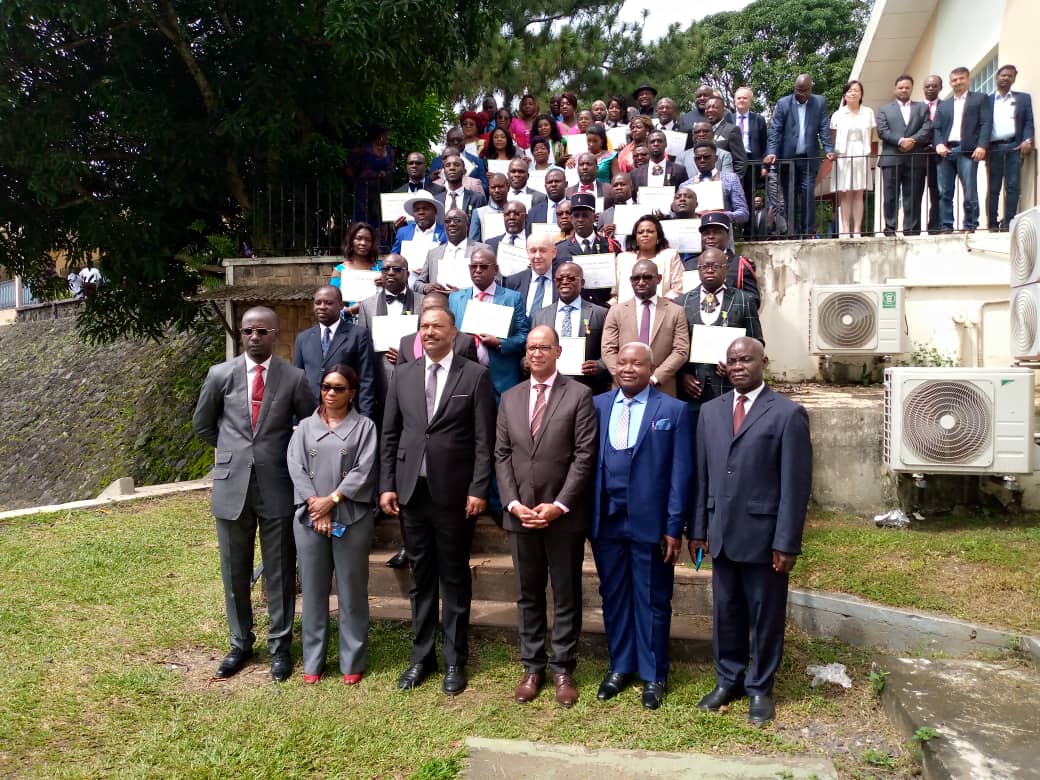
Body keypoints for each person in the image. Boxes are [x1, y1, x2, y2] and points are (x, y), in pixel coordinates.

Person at [690, 337, 812, 725]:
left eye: (747, 359)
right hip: (722, 533)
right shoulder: (710, 412)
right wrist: (698, 528)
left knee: (765, 615)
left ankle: (760, 686)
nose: (739, 365)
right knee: (726, 613)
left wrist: (786, 541)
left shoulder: (787, 414)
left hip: (764, 537)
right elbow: (703, 476)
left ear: (763, 362)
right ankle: (729, 680)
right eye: (732, 360)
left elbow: (796, 485)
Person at [192, 306, 316, 682]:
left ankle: (280, 647)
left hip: (277, 484)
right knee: (235, 569)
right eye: (248, 332)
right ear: (241, 335)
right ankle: (240, 642)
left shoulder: (293, 379)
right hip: (232, 486)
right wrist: (233, 454)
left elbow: (308, 426)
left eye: (262, 331)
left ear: (276, 334)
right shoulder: (220, 375)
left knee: (279, 569)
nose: (254, 337)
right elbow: (203, 425)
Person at [380, 306, 497, 695]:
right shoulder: (404, 373)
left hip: (455, 496)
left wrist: (479, 489)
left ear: (454, 332)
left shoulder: (475, 375)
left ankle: (454, 661)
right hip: (412, 493)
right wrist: (388, 485)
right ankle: (421, 657)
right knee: (421, 579)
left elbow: (485, 441)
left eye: (437, 326)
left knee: (454, 577)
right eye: (424, 326)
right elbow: (390, 435)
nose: (429, 332)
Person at [495, 325, 597, 708]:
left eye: (544, 347)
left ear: (558, 351)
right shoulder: (510, 397)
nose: (536, 353)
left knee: (566, 592)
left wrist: (560, 505)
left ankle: (563, 668)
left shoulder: (580, 396)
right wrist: (512, 503)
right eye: (532, 348)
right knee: (528, 593)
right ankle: (533, 666)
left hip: (562, 516)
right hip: (521, 514)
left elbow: (585, 457)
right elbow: (501, 454)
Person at [590, 341, 693, 710]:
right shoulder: (598, 406)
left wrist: (673, 525)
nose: (629, 368)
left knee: (652, 597)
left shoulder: (674, 410)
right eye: (623, 362)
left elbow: (682, 474)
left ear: (652, 370)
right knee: (613, 594)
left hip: (651, 523)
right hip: (607, 520)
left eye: (637, 363)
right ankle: (621, 665)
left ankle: (653, 674)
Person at [287, 364, 378, 685]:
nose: (330, 393)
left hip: (351, 518)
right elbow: (296, 467)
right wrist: (316, 503)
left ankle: (352, 660)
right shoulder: (304, 428)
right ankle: (313, 661)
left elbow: (363, 469)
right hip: (310, 518)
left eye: (339, 388)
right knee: (313, 591)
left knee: (352, 591)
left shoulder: (365, 427)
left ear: (351, 392)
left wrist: (332, 500)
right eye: (326, 386)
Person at [677, 247, 763, 440]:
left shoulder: (744, 300)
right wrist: (682, 376)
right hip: (691, 390)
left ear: (726, 269)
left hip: (730, 389)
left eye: (716, 266)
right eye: (705, 266)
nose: (709, 270)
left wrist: (737, 365)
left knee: (725, 442)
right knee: (693, 445)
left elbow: (756, 342)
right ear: (697, 269)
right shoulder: (680, 303)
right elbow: (674, 346)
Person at [448, 248, 530, 399]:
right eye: (474, 266)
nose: (478, 270)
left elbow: (523, 335)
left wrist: (499, 343)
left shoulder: (513, 298)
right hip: (464, 377)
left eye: (484, 266)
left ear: (495, 269)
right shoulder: (455, 298)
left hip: (501, 379)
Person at [602, 258, 690, 397]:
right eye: (636, 278)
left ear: (659, 279)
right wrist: (623, 376)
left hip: (662, 388)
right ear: (631, 281)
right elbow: (608, 349)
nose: (641, 282)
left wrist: (655, 378)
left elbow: (681, 350)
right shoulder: (616, 311)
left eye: (647, 277)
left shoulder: (676, 311)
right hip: (623, 389)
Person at [294, 285, 378, 420]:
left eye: (328, 303)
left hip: (347, 414)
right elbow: (297, 380)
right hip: (310, 415)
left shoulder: (358, 335)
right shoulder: (303, 338)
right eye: (318, 302)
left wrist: (366, 418)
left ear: (340, 305)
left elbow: (367, 379)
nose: (322, 306)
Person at [765, 74, 834, 237]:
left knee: (808, 194)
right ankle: (793, 233)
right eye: (797, 90)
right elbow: (776, 130)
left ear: (810, 88)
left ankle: (808, 232)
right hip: (787, 159)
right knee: (790, 198)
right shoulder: (783, 103)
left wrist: (829, 148)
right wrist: (771, 152)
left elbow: (824, 127)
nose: (800, 93)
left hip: (809, 158)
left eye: (804, 90)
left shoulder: (819, 102)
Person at [531, 262, 611, 395]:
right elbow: (530, 349)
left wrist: (600, 365)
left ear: (583, 282)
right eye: (560, 279)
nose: (565, 282)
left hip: (586, 386)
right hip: (548, 387)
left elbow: (610, 350)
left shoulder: (600, 313)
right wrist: (527, 362)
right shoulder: (540, 315)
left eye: (571, 278)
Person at [933, 66, 992, 233]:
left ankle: (970, 224)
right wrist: (938, 144)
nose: (958, 82)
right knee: (945, 192)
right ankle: (946, 226)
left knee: (970, 191)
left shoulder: (980, 99)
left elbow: (986, 124)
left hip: (967, 150)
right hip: (946, 152)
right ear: (950, 83)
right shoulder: (944, 105)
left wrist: (982, 145)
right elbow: (936, 128)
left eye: (961, 79)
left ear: (968, 79)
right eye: (954, 80)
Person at [356, 255, 424, 393]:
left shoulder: (423, 302)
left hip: (416, 378)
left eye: (397, 269)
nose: (391, 272)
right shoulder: (366, 305)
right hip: (380, 380)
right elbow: (363, 349)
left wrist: (409, 355)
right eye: (386, 269)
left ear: (407, 274)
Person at [877, 74, 933, 236]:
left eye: (907, 87)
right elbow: (882, 131)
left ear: (911, 89)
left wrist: (912, 141)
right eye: (900, 87)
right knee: (890, 196)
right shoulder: (884, 109)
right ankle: (890, 228)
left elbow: (927, 128)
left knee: (914, 196)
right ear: (895, 89)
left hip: (915, 157)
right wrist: (900, 141)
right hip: (891, 157)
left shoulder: (922, 107)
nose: (903, 90)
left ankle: (912, 229)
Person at [553, 193, 623, 307]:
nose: (580, 219)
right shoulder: (560, 250)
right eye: (576, 215)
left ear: (595, 217)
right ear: (571, 218)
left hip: (605, 308)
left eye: (585, 215)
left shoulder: (611, 246)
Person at [987, 65, 1035, 231]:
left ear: (1014, 78)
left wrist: (1028, 140)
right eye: (1003, 75)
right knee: (993, 188)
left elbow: (1029, 121)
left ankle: (1009, 223)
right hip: (993, 149)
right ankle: (992, 224)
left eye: (1010, 76)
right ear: (997, 77)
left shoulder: (1023, 98)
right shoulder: (987, 100)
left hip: (1015, 147)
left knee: (1013, 187)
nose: (1006, 78)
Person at [681, 212, 761, 311]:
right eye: (706, 233)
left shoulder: (741, 265)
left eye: (716, 232)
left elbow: (754, 301)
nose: (710, 236)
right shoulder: (689, 265)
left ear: (727, 236)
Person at [829, 80, 876, 237]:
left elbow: (870, 135)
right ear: (845, 94)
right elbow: (833, 137)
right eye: (850, 90)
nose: (853, 93)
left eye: (856, 90)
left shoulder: (868, 112)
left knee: (858, 192)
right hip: (843, 153)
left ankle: (857, 229)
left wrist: (867, 151)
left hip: (861, 152)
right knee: (845, 193)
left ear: (861, 94)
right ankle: (845, 228)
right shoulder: (838, 114)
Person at [415, 209, 490, 294]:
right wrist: (426, 287)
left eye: (457, 220)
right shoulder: (433, 254)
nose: (452, 224)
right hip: (440, 304)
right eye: (447, 221)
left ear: (467, 225)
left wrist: (463, 293)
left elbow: (495, 282)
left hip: (470, 304)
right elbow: (418, 283)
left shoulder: (483, 250)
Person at [396, 291, 479, 367]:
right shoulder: (406, 342)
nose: (431, 314)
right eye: (426, 310)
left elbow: (473, 377)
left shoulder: (464, 342)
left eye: (437, 309)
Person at [679, 140, 749, 228]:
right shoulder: (685, 186)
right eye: (698, 158)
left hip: (723, 234)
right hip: (694, 234)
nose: (702, 160)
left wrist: (723, 216)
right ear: (694, 160)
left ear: (716, 158)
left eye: (706, 157)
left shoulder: (731, 179)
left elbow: (743, 213)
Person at [614, 215, 684, 301]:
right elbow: (615, 293)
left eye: (650, 231)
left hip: (661, 310)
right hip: (625, 310)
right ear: (635, 238)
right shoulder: (622, 258)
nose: (645, 235)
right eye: (640, 232)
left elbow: (677, 289)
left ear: (658, 237)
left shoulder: (670, 255)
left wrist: (658, 307)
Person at [733, 87, 769, 240]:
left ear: (750, 101)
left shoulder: (758, 119)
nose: (741, 100)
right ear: (734, 100)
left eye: (745, 98)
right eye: (739, 98)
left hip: (752, 162)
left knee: (748, 197)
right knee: (732, 196)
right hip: (733, 162)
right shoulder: (728, 118)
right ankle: (733, 231)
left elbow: (764, 143)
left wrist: (763, 165)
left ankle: (749, 232)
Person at [331, 221, 383, 318]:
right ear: (351, 241)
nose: (363, 243)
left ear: (372, 243)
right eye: (359, 238)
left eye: (368, 240)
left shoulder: (381, 268)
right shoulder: (340, 271)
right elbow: (332, 304)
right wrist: (350, 310)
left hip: (378, 321)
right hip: (350, 326)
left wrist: (387, 284)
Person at [346, 125, 394, 226]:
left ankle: (380, 241)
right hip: (364, 191)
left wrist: (386, 174)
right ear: (380, 136)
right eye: (386, 135)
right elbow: (350, 167)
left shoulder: (389, 150)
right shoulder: (364, 149)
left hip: (381, 190)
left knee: (380, 219)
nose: (388, 137)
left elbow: (391, 168)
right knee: (363, 220)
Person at [503, 233, 558, 316]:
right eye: (533, 251)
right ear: (527, 253)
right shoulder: (513, 281)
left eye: (542, 250)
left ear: (553, 252)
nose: (537, 256)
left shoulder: (563, 281)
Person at [390, 191, 448, 255]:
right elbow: (394, 257)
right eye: (417, 209)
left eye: (425, 208)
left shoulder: (445, 233)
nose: (421, 212)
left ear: (434, 211)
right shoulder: (403, 232)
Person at [921, 76, 944, 234]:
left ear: (940, 88)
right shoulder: (917, 108)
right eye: (927, 86)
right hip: (919, 154)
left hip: (939, 154)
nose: (930, 88)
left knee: (938, 190)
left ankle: (936, 225)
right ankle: (912, 227)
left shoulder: (947, 106)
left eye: (934, 86)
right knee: (916, 191)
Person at [435, 153, 487, 221]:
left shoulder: (478, 199)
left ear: (464, 171)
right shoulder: (436, 200)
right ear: (444, 171)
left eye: (456, 165)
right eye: (448, 165)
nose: (452, 168)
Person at [704, 97, 747, 177]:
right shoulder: (702, 130)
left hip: (723, 182)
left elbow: (740, 162)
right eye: (707, 108)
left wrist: (733, 183)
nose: (710, 110)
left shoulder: (732, 130)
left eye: (714, 107)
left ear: (723, 110)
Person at [470, 173, 510, 242]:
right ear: (488, 189)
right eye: (493, 187)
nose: (496, 190)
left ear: (508, 187)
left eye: (500, 187)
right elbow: (473, 243)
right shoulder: (479, 213)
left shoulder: (515, 211)